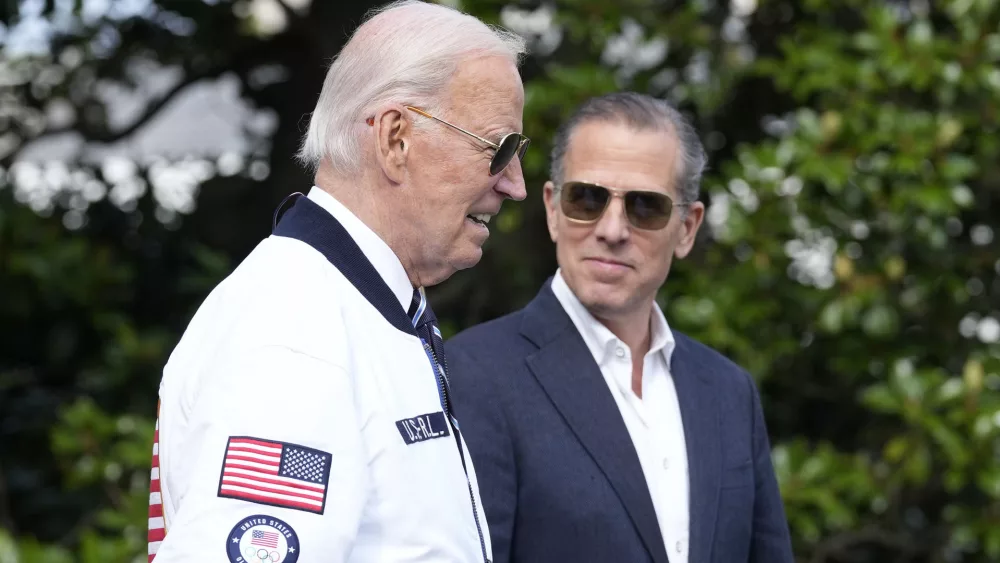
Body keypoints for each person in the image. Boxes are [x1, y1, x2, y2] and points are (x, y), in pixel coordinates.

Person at [146, 1, 529, 561]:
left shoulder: (343, 308)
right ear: (396, 138)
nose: (514, 184)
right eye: (499, 149)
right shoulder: (296, 332)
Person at [445, 92, 794, 563]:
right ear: (552, 209)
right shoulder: (472, 375)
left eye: (645, 207)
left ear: (687, 229)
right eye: (586, 199)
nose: (611, 229)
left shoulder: (729, 392)